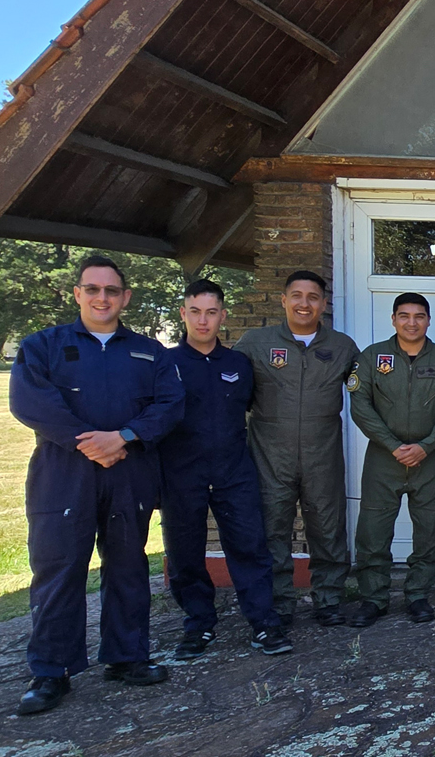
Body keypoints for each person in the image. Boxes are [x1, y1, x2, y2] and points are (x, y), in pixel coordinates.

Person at [9, 256, 185, 715]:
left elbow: (170, 406)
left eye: (111, 290)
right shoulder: (42, 346)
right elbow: (31, 404)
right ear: (78, 294)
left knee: (127, 566)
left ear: (125, 297)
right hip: (63, 474)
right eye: (92, 289)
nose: (102, 298)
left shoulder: (151, 352)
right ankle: (51, 670)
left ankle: (127, 657)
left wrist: (124, 436)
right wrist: (88, 444)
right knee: (59, 569)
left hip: (130, 473)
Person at [160, 279, 290, 661]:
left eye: (211, 312)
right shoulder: (166, 365)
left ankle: (264, 623)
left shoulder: (237, 364)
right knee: (185, 553)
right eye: (195, 312)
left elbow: (249, 408)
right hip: (182, 474)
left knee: (250, 547)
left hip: (234, 472)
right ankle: (198, 625)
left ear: (223, 317)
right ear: (184, 314)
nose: (203, 321)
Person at [234, 270, 358, 628]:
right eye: (298, 296)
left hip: (323, 453)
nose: (305, 303)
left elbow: (368, 393)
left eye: (313, 297)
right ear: (284, 300)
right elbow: (228, 393)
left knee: (328, 527)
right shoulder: (255, 343)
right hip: (270, 454)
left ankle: (329, 599)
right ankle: (278, 602)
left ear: (323, 303)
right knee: (272, 529)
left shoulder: (342, 347)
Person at [347, 293, 435, 627]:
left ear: (429, 320)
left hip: (429, 458)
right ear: (393, 319)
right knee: (373, 531)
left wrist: (426, 446)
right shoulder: (372, 357)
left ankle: (418, 595)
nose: (411, 323)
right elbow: (361, 406)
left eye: (419, 316)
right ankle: (373, 598)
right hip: (383, 459)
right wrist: (392, 444)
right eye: (404, 316)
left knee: (430, 530)